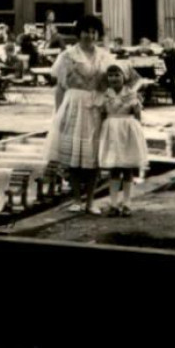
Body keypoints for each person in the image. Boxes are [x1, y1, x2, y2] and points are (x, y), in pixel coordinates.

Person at [44, 13, 111, 214]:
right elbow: (60, 87)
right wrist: (58, 113)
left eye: (93, 31)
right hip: (72, 104)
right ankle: (76, 199)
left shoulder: (105, 56)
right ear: (78, 33)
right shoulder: (67, 56)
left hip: (96, 104)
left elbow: (112, 84)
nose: (89, 35)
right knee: (72, 154)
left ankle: (90, 201)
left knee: (93, 155)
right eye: (86, 31)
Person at [97, 63, 147, 217]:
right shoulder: (106, 94)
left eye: (117, 75)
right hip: (112, 131)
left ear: (124, 77)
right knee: (114, 168)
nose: (114, 78)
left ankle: (127, 203)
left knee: (127, 167)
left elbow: (137, 116)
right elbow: (102, 114)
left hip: (127, 131)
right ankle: (113, 203)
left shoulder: (131, 94)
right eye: (110, 75)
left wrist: (136, 132)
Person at [157, 37, 175, 105]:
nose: (167, 46)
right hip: (169, 71)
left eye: (169, 44)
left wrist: (167, 57)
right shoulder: (164, 51)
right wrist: (162, 56)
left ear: (172, 45)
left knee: (172, 80)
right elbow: (159, 57)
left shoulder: (174, 51)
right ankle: (174, 92)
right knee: (160, 81)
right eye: (166, 44)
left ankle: (174, 98)